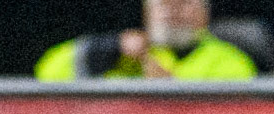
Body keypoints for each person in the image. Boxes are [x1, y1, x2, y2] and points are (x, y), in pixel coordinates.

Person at [35, 0, 256, 80]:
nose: (172, 11)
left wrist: (170, 91)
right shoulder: (124, 53)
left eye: (183, 3)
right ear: (146, 13)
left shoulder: (231, 61)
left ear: (205, 13)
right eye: (163, 4)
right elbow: (47, 73)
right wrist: (111, 48)